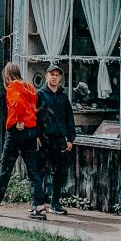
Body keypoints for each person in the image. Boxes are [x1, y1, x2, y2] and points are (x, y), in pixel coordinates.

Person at [0, 62, 46, 220]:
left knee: (6, 169)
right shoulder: (30, 87)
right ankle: (40, 208)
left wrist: (18, 120)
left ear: (7, 75)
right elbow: (36, 110)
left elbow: (17, 105)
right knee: (33, 171)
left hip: (17, 132)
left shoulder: (12, 87)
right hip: (32, 131)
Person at [36, 63, 76, 215]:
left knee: (59, 172)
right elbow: (34, 117)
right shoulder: (40, 95)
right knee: (40, 172)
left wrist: (70, 139)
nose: (54, 77)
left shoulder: (63, 98)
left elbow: (69, 119)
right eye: (51, 74)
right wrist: (36, 136)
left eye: (57, 75)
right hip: (43, 138)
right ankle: (38, 203)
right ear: (46, 76)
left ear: (60, 78)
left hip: (59, 139)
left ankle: (55, 203)